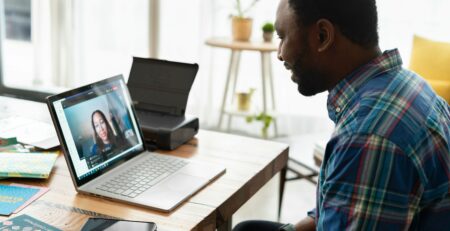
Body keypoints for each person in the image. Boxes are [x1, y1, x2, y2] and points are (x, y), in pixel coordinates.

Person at [234, 0, 450, 230]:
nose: (280, 54)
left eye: (283, 37)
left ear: (323, 36)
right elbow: (343, 208)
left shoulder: (368, 136)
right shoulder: (406, 84)